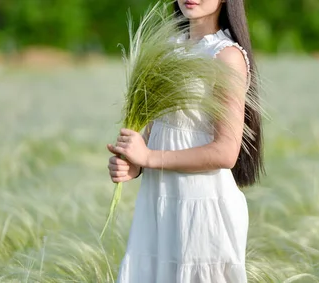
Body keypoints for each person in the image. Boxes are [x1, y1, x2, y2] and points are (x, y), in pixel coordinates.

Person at [107, 0, 264, 282]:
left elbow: (226, 152)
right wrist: (134, 165)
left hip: (201, 207)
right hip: (158, 203)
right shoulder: (166, 47)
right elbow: (154, 129)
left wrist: (149, 158)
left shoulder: (225, 56)